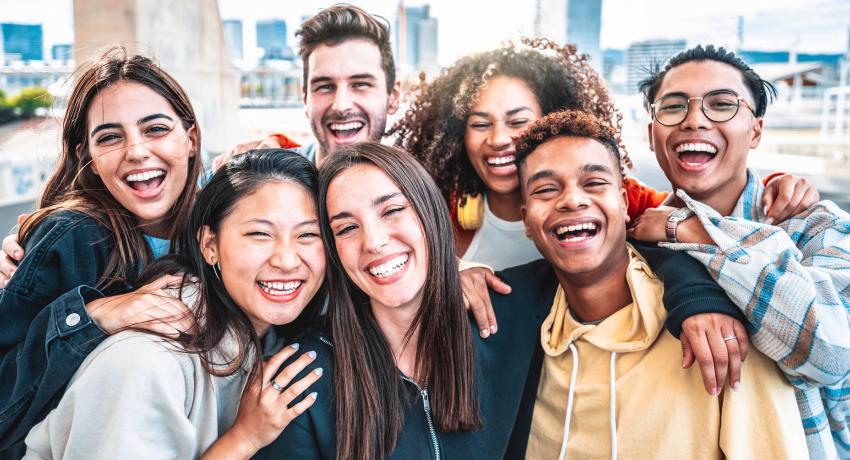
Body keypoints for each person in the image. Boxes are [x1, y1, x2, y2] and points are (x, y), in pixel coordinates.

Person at [247, 143, 740, 459]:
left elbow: (613, 255)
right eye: (346, 228)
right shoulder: (303, 372)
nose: (374, 241)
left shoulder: (509, 308)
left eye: (393, 210)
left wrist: (693, 296)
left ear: (432, 219)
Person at [512, 109, 807, 459]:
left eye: (594, 183)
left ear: (624, 204)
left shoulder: (722, 336)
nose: (572, 200)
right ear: (526, 220)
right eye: (546, 189)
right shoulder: (515, 334)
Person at [24, 150, 325, 459]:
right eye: (260, 234)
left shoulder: (269, 336)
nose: (287, 260)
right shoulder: (149, 361)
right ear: (209, 245)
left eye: (308, 234)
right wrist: (244, 439)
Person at [629, 44, 850, 460]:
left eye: (722, 104)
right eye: (673, 107)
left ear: (756, 131)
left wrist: (690, 229)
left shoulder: (816, 227)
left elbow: (830, 352)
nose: (695, 120)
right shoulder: (636, 237)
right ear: (651, 133)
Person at [0, 48, 203, 456]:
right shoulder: (71, 238)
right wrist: (93, 316)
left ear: (191, 139)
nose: (136, 151)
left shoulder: (220, 229)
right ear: (87, 159)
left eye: (156, 129)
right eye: (110, 137)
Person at [211, 4, 400, 169]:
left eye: (360, 84)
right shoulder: (254, 178)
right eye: (325, 86)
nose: (341, 105)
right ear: (305, 98)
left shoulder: (415, 189)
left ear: (393, 96)